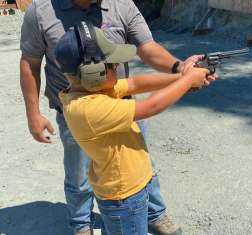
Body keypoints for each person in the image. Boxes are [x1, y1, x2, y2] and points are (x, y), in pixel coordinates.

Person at [19, 0, 216, 234]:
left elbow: (136, 80)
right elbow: (153, 105)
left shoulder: (93, 89)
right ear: (94, 73)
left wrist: (182, 72)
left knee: (142, 166)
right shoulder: (90, 108)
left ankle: (154, 213)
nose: (119, 67)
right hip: (123, 200)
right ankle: (81, 223)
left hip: (123, 170)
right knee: (79, 176)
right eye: (113, 64)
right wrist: (186, 82)